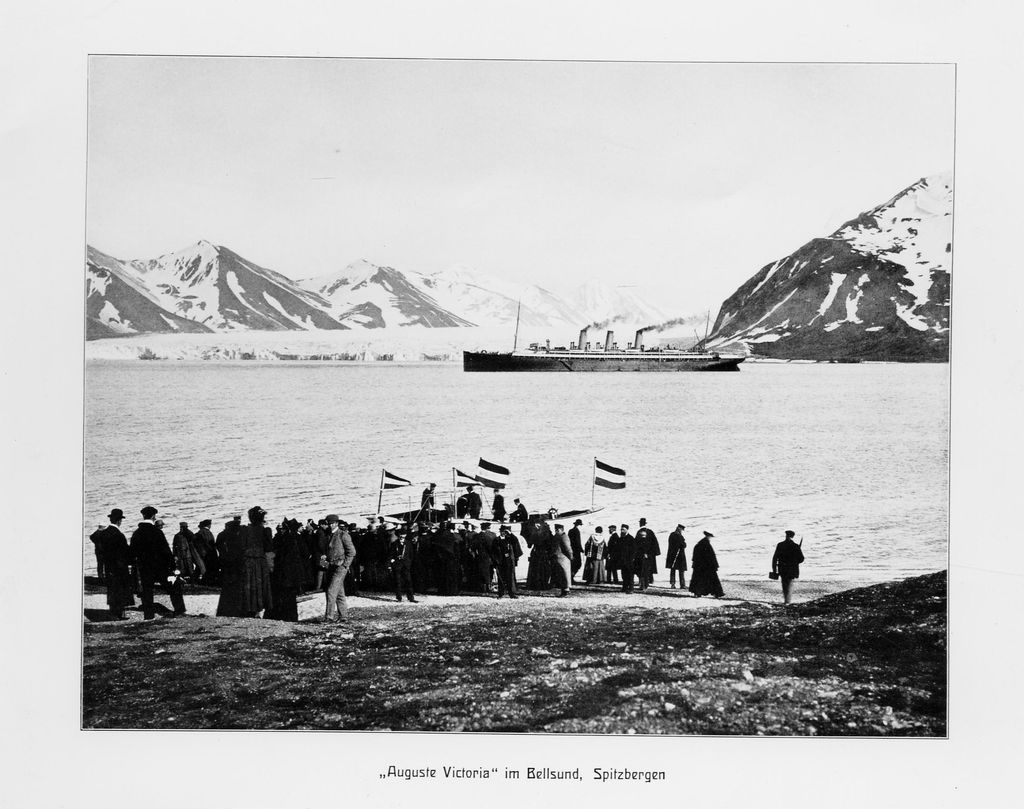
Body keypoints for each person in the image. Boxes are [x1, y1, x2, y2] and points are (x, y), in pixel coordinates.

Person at [130, 506, 185, 619]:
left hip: (145, 567)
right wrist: (173, 566)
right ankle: (179, 611)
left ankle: (149, 616)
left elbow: (132, 553)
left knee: (147, 591)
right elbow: (166, 551)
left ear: (143, 516)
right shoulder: (157, 532)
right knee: (174, 586)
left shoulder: (136, 533)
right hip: (160, 567)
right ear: (154, 516)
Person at [95, 508, 134, 619]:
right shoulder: (119, 535)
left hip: (109, 566)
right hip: (120, 567)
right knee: (121, 589)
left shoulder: (103, 534)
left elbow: (100, 551)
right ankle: (120, 613)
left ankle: (113, 613)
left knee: (112, 589)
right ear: (119, 521)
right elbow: (125, 552)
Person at [267, 518, 306, 621]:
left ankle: (284, 617)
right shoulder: (292, 539)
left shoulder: (283, 539)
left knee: (284, 597)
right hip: (290, 575)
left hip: (284, 575)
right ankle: (290, 618)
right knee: (289, 599)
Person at [323, 514, 356, 621]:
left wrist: (345, 565)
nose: (330, 525)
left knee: (331, 591)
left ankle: (329, 617)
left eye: (332, 523)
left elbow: (352, 552)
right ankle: (344, 616)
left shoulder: (343, 535)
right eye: (328, 523)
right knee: (339, 593)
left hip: (340, 567)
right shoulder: (328, 534)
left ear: (337, 523)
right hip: (331, 567)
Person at [771, 530, 805, 604]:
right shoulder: (795, 546)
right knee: (789, 583)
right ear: (792, 536)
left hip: (782, 568)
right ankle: (788, 600)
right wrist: (795, 562)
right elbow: (801, 559)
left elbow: (775, 558)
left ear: (786, 535)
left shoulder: (780, 545)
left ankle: (786, 600)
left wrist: (774, 570)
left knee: (784, 584)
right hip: (792, 569)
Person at [689, 530, 724, 597]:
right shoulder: (706, 544)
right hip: (707, 566)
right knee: (712, 579)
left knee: (699, 579)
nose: (710, 538)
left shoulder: (699, 544)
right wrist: (714, 565)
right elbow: (711, 556)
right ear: (708, 536)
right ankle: (716, 593)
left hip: (700, 566)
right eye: (710, 537)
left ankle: (697, 592)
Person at [387, 526, 419, 602]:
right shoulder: (394, 544)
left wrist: (409, 563)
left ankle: (411, 597)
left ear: (405, 535)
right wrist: (391, 563)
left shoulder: (408, 544)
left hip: (406, 565)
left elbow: (411, 555)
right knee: (398, 581)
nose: (402, 536)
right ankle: (399, 597)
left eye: (403, 535)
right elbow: (390, 555)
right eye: (400, 535)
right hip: (397, 565)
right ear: (398, 535)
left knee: (408, 581)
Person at [491, 525, 522, 598]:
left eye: (505, 532)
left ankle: (511, 593)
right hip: (500, 561)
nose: (503, 533)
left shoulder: (510, 539)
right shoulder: (496, 540)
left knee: (510, 577)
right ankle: (501, 593)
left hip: (509, 561)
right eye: (502, 532)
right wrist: (496, 560)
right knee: (501, 578)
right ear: (500, 532)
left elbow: (515, 542)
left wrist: (510, 533)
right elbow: (493, 551)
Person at [525, 519, 553, 590]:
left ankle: (534, 585)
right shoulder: (546, 533)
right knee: (543, 570)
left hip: (536, 553)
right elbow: (550, 544)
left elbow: (529, 545)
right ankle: (543, 585)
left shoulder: (534, 533)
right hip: (543, 553)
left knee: (535, 570)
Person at [634, 518, 659, 590]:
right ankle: (648, 582)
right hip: (650, 554)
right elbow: (655, 544)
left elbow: (638, 544)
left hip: (642, 554)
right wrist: (652, 553)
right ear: (645, 523)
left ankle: (643, 584)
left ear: (640, 524)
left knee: (641, 569)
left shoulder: (639, 532)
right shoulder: (650, 532)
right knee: (648, 569)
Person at [194, 518, 220, 585]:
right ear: (208, 525)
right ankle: (208, 581)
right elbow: (209, 543)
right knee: (210, 567)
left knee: (205, 567)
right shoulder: (206, 532)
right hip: (209, 553)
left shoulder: (201, 532)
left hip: (205, 553)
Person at [665, 524, 688, 589]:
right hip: (679, 555)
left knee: (673, 569)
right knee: (681, 570)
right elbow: (683, 545)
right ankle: (682, 584)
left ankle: (672, 584)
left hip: (672, 555)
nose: (681, 531)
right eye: (681, 529)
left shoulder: (671, 535)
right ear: (679, 528)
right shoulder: (679, 536)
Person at [553, 524, 572, 597]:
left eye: (557, 530)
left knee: (565, 574)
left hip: (563, 558)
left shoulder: (564, 537)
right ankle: (564, 590)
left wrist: (571, 556)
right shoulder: (559, 536)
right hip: (560, 558)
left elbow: (567, 548)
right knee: (562, 575)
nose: (556, 531)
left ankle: (566, 590)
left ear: (560, 529)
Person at [618, 524, 636, 592]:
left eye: (623, 529)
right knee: (624, 574)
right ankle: (624, 587)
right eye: (621, 529)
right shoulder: (621, 538)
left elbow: (634, 549)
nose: (622, 531)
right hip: (622, 560)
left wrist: (632, 558)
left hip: (629, 560)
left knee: (630, 574)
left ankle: (631, 588)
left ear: (627, 530)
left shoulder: (631, 538)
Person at [568, 519, 584, 584]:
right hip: (576, 550)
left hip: (571, 549)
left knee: (572, 564)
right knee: (578, 564)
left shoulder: (570, 530)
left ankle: (570, 578)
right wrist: (581, 549)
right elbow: (578, 542)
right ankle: (571, 577)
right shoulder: (577, 531)